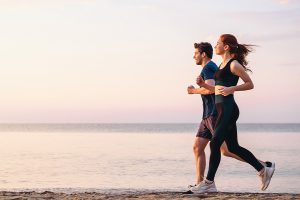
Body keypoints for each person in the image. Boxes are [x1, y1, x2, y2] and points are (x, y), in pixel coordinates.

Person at [187, 42, 274, 192]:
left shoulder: (224, 65)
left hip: (221, 111)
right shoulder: (220, 66)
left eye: (218, 43)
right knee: (229, 147)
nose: (216, 46)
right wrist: (203, 85)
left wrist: (195, 91)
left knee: (221, 148)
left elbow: (249, 84)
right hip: (214, 112)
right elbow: (216, 89)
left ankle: (208, 183)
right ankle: (263, 168)